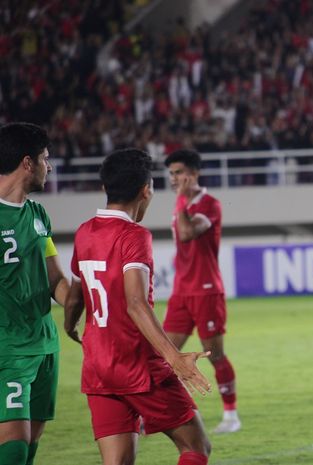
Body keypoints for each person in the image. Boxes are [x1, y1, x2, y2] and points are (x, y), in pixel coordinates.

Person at [63, 149, 212, 465]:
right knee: (196, 447)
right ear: (146, 190)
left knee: (117, 462)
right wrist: (175, 358)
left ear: (106, 188)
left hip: (98, 367)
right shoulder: (134, 235)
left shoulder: (84, 231)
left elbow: (76, 296)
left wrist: (70, 324)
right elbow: (135, 302)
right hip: (138, 365)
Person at [0, 122, 69, 465]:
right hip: (8, 348)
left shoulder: (38, 214)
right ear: (27, 163)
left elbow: (55, 278)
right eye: (45, 158)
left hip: (45, 345)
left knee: (29, 448)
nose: (50, 166)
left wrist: (75, 298)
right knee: (14, 442)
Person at [164, 149, 241, 433]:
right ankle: (164, 414)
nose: (174, 178)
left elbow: (187, 233)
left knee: (215, 354)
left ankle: (231, 416)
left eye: (178, 172)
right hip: (180, 293)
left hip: (207, 290)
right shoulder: (181, 203)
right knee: (165, 356)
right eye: (170, 173)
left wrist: (182, 201)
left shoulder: (210, 204)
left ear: (194, 173)